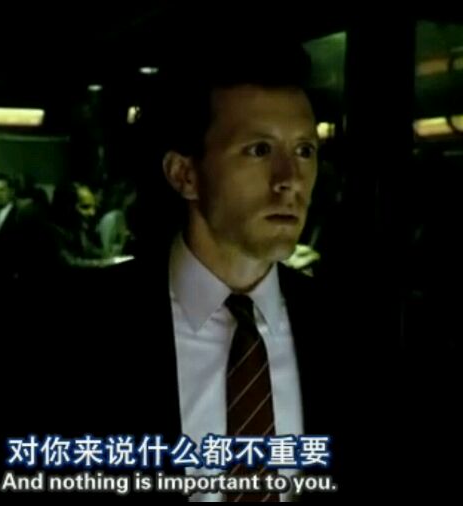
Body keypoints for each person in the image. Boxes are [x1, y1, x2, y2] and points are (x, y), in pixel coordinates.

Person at [31, 39, 389, 502]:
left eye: (304, 150)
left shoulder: (349, 330)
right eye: (259, 150)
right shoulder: (76, 327)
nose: (290, 179)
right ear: (184, 174)